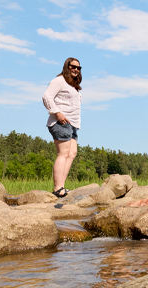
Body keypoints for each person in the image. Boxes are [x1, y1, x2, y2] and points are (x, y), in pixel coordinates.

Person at [43, 57, 82, 197]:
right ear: (67, 66)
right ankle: (58, 188)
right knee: (63, 154)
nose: (76, 69)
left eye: (78, 68)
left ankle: (62, 187)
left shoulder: (73, 86)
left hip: (73, 124)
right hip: (61, 122)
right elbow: (47, 96)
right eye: (73, 67)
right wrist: (57, 112)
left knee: (71, 154)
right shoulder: (59, 81)